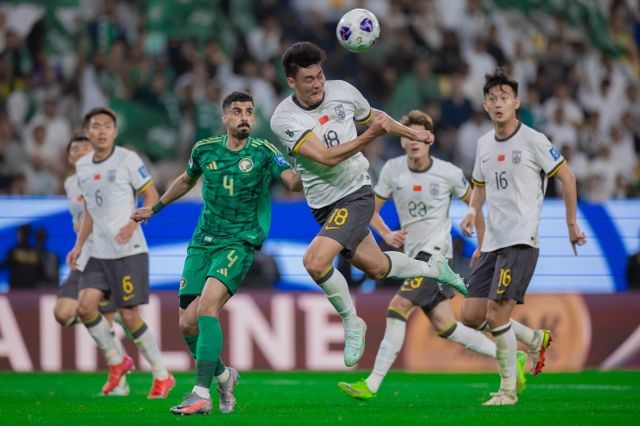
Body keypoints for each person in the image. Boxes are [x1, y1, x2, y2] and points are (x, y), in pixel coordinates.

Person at [270, 41, 467, 369]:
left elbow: (376, 117)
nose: (317, 84)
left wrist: (411, 134)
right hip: (322, 203)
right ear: (291, 81)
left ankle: (351, 322)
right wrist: (370, 135)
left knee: (315, 261)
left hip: (356, 191)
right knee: (376, 267)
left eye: (320, 76)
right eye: (308, 79)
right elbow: (325, 157)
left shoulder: (343, 91)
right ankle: (434, 269)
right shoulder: (284, 118)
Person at [131, 91, 302, 415]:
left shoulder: (264, 152)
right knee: (187, 324)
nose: (244, 117)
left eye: (249, 111)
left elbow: (292, 182)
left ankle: (200, 394)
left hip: (240, 242)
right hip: (203, 242)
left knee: (207, 307)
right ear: (224, 118)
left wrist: (310, 163)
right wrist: (154, 208)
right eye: (237, 111)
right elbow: (186, 180)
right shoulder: (204, 149)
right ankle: (224, 377)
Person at [337, 110, 528, 400]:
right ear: (403, 140)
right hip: (412, 258)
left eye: (421, 137)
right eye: (410, 136)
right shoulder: (392, 170)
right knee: (445, 325)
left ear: (431, 139)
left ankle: (372, 384)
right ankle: (511, 356)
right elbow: (369, 210)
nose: (415, 142)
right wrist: (386, 233)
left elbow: (475, 204)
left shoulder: (448, 172)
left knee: (398, 307)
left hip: (437, 257)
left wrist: (482, 244)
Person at [459, 69, 586, 406]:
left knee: (496, 315)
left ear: (517, 102)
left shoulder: (534, 140)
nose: (498, 103)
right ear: (485, 105)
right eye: (492, 98)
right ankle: (534, 339)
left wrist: (571, 225)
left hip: (520, 240)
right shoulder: (483, 144)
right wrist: (471, 212)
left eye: (504, 97)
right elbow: (479, 187)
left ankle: (507, 391)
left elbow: (568, 177)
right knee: (470, 315)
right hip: (492, 243)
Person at [66, 107, 174, 399]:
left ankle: (162, 374)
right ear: (87, 132)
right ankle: (116, 361)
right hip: (99, 252)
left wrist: (132, 223)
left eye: (107, 126)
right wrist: (79, 245)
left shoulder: (128, 159)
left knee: (129, 316)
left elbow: (151, 195)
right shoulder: (83, 166)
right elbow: (90, 209)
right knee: (84, 308)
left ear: (115, 132)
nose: (101, 131)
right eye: (95, 126)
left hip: (129, 250)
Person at [54, 135, 129, 395]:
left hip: (105, 257)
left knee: (102, 326)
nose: (79, 151)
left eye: (84, 147)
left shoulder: (106, 177)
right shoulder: (69, 183)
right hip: (83, 256)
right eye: (74, 148)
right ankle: (116, 316)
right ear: (69, 157)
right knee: (63, 314)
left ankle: (120, 382)